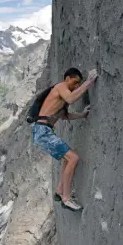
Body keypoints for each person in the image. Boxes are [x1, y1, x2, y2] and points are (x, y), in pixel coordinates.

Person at [31, 68, 98, 211]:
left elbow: (65, 116)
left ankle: (60, 191)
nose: (76, 86)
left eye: (78, 84)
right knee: (73, 158)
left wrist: (82, 115)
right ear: (67, 78)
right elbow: (71, 98)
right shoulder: (60, 87)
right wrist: (89, 82)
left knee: (68, 159)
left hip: (43, 131)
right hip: (43, 131)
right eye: (75, 82)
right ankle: (66, 199)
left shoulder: (61, 99)